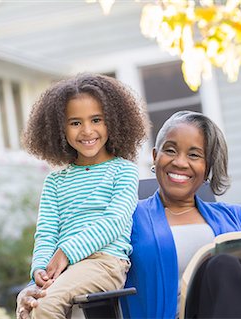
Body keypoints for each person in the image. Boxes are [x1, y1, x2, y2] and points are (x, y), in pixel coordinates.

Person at [17, 110, 241, 319]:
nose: (180, 163)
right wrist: (36, 287)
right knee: (224, 266)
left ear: (207, 167)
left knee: (227, 269)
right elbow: (87, 259)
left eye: (195, 155)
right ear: (155, 157)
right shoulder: (126, 219)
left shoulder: (236, 217)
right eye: (170, 150)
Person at [20, 73, 147, 319]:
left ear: (113, 121)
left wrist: (67, 252)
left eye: (96, 119)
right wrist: (39, 270)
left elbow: (114, 222)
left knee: (44, 305)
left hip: (104, 263)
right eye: (75, 123)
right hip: (64, 268)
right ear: (60, 129)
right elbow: (47, 232)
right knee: (27, 305)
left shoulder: (123, 171)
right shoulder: (56, 181)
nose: (87, 130)